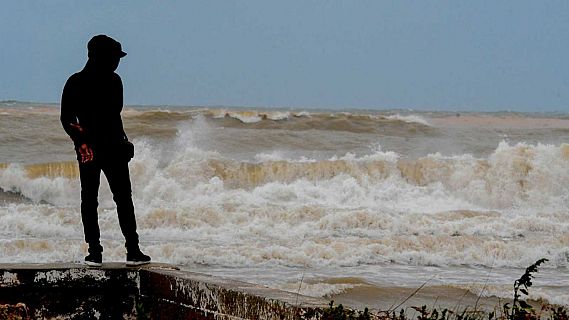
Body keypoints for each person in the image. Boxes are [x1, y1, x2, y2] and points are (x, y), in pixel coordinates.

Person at [60, 34, 151, 266]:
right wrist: (81, 143)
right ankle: (95, 251)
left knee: (121, 199)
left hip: (112, 147)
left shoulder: (114, 81)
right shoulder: (76, 82)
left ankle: (132, 250)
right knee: (92, 200)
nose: (117, 62)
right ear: (99, 56)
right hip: (91, 149)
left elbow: (114, 117)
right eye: (114, 57)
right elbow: (67, 118)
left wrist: (125, 141)